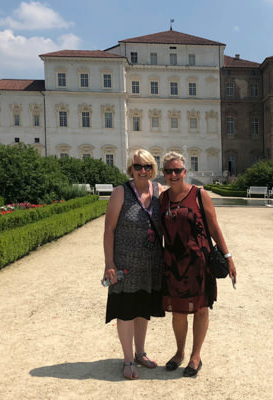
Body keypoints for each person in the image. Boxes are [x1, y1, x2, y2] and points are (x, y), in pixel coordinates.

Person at [159, 151, 237, 377]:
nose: (174, 174)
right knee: (178, 312)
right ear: (163, 173)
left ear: (185, 172)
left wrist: (228, 257)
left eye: (178, 170)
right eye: (169, 171)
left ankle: (195, 356)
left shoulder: (199, 194)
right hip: (173, 263)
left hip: (199, 262)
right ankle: (179, 352)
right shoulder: (162, 199)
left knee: (201, 309)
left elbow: (214, 228)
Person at [103, 148, 165, 380]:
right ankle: (128, 359)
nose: (143, 170)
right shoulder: (121, 192)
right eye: (138, 166)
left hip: (151, 263)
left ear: (153, 169)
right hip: (125, 263)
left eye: (147, 166)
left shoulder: (159, 191)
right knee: (126, 309)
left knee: (143, 310)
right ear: (131, 169)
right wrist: (109, 263)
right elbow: (109, 229)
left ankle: (140, 353)